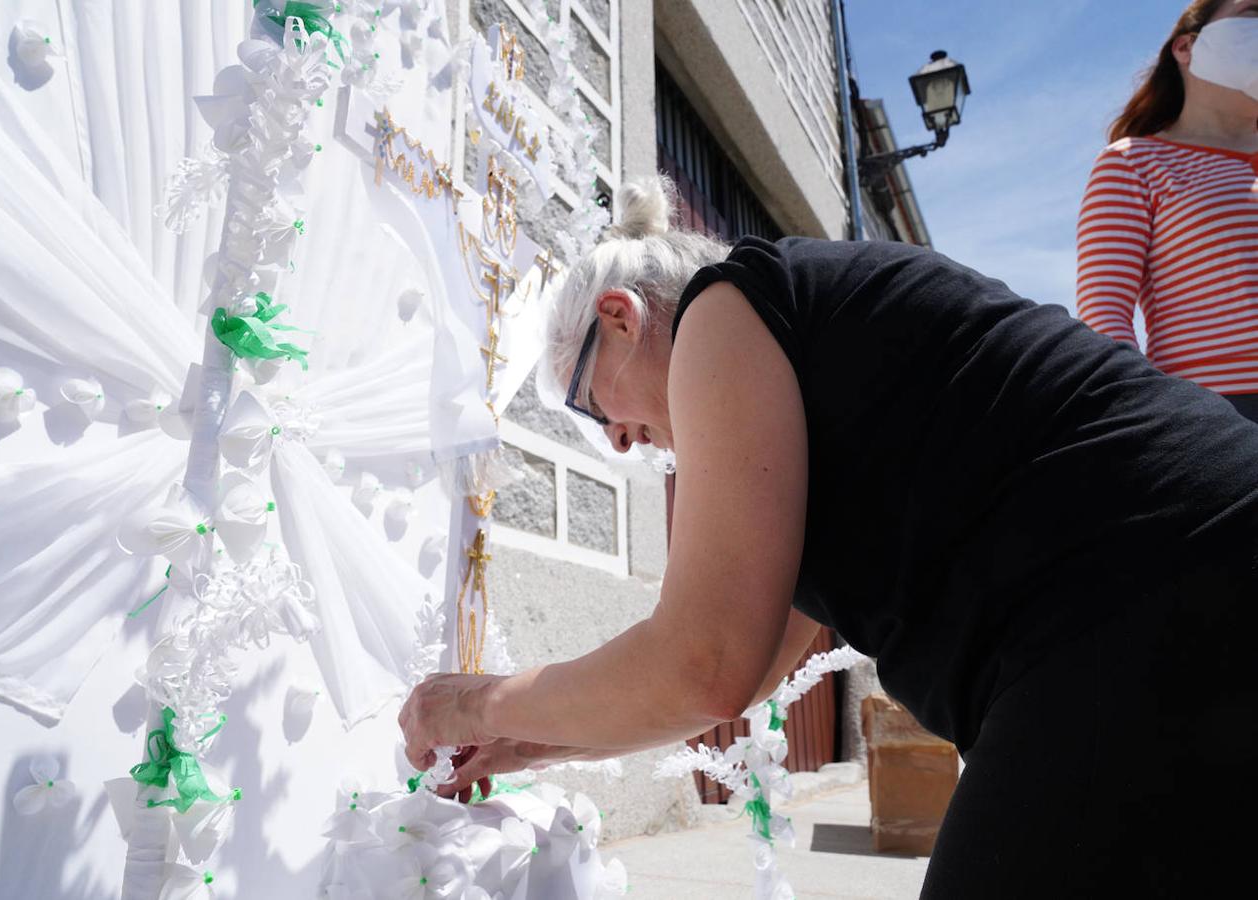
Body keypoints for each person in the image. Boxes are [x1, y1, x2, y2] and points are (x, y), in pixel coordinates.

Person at [400, 177, 1258, 896]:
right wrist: (521, 743)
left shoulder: (722, 312)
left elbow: (702, 661)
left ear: (621, 318)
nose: (619, 443)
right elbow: (722, 686)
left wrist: (470, 702)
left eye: (594, 409)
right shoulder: (805, 402)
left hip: (1144, 590)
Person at [1078, 0, 1258, 420]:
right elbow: (1104, 314)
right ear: (1186, 47)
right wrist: (1155, 419)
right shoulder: (1134, 162)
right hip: (1223, 416)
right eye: (1252, 12)